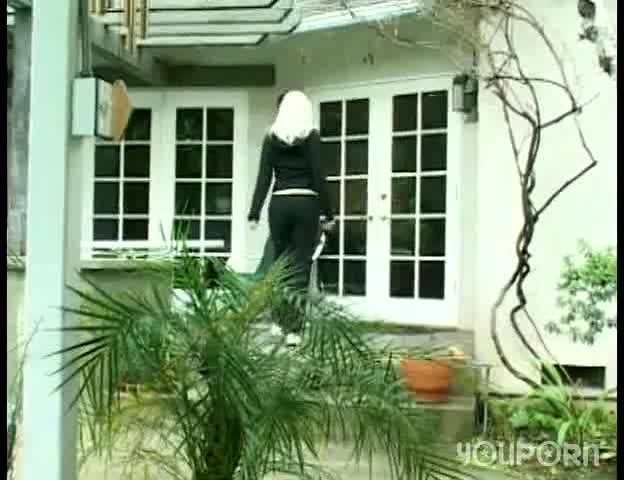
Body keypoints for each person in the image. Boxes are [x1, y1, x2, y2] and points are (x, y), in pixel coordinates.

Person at [248, 90, 334, 342]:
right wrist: (328, 213)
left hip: (279, 204)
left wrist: (254, 212)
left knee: (280, 263)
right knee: (301, 266)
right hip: (306, 203)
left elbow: (264, 176)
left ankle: (278, 320)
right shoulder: (312, 137)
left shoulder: (271, 137)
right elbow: (319, 176)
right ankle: (294, 330)